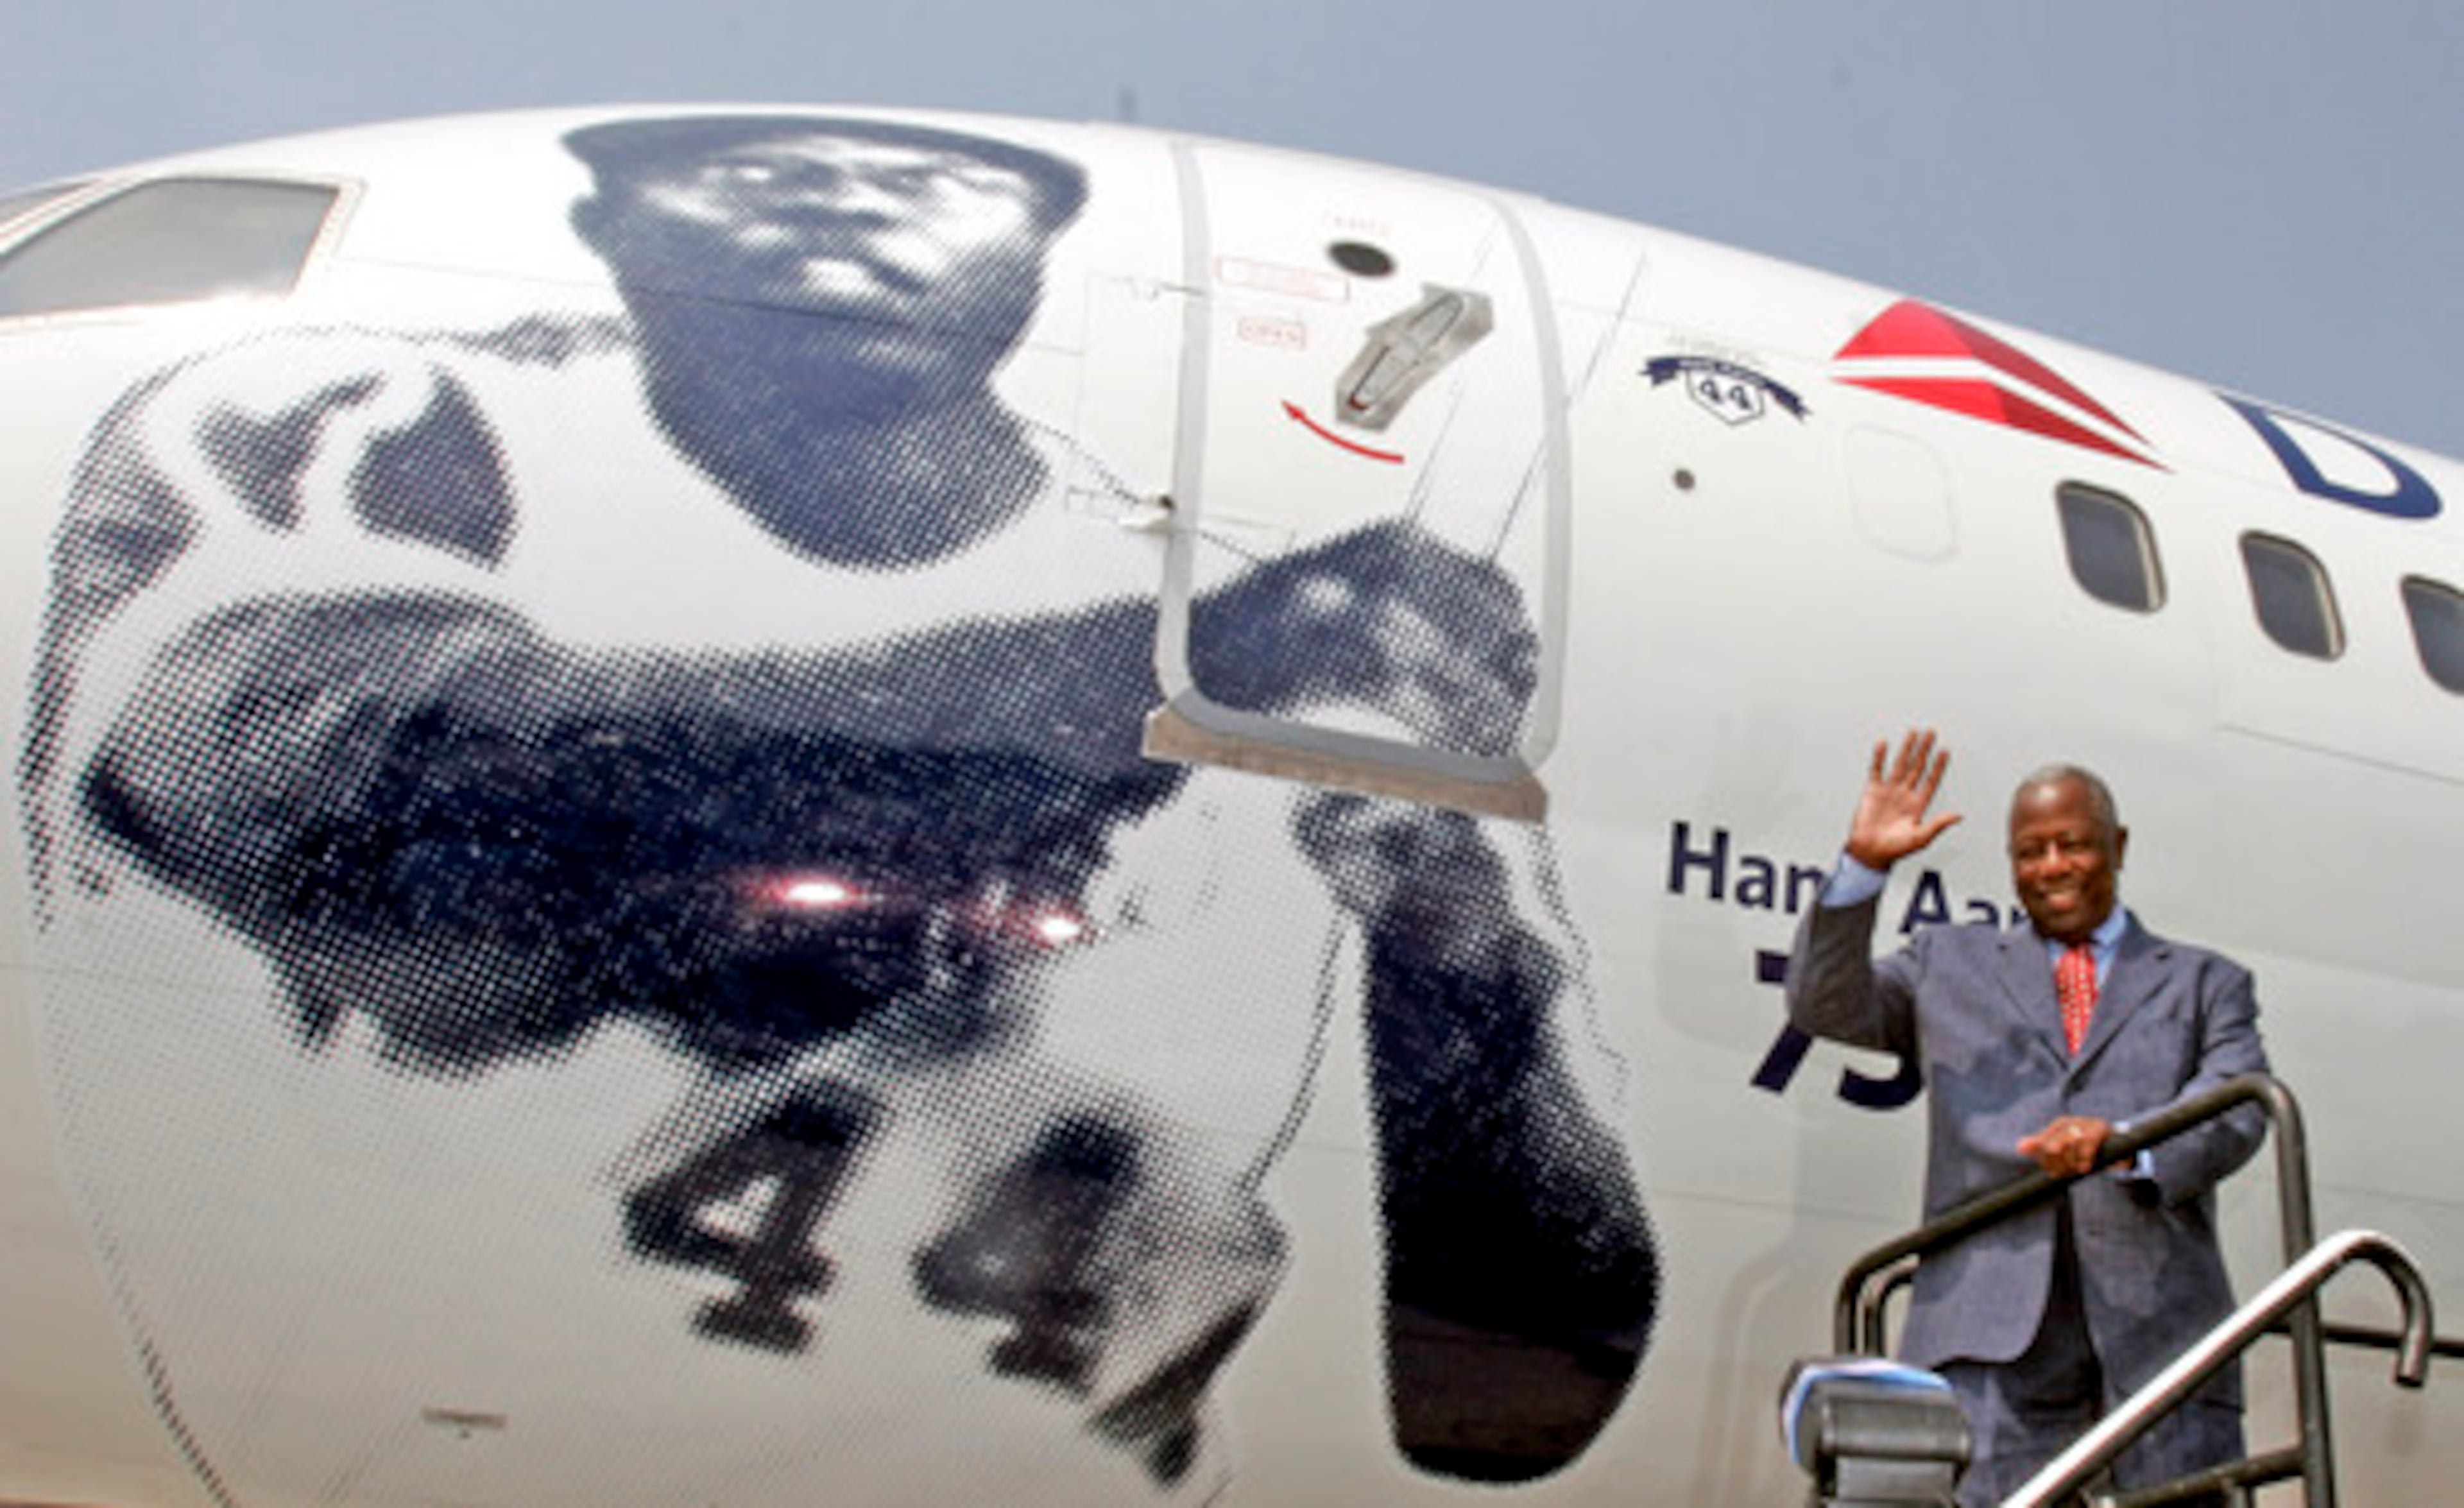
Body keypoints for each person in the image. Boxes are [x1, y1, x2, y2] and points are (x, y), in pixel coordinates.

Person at [21, 113, 1654, 1502]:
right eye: (741, 173)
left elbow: (1506, 1398)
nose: (841, 203)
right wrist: (1149, 685)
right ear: (610, 217)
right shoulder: (381, 429)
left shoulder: (1312, 670)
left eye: (932, 184)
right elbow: (326, 795)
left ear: (1043, 248)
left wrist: (1465, 980)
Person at [1786, 728, 2269, 1507]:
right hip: (1990, 1340)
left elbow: (2238, 1103)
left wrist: (2124, 1146)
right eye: (2030, 852)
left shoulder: (2206, 983)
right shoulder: (1949, 962)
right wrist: (1864, 868)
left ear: (2118, 845)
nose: (2051, 869)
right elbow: (1823, 1003)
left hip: (2158, 1333)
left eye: (2072, 846)